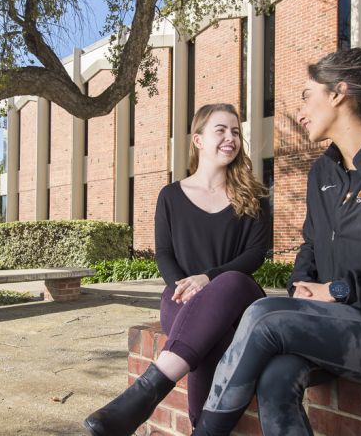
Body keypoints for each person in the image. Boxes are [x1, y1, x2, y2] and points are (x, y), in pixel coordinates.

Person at [191, 44, 361, 435]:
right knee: (274, 377)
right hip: (332, 322)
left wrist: (341, 291)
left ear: (339, 93)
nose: (301, 112)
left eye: (307, 96)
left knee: (263, 313)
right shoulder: (322, 172)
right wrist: (302, 287)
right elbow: (310, 246)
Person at [84, 103, 271, 436]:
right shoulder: (170, 196)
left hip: (239, 298)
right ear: (198, 140)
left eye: (236, 132)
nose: (231, 138)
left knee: (228, 282)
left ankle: (142, 397)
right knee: (205, 333)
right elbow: (165, 253)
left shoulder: (254, 195)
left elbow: (255, 254)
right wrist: (184, 287)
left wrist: (208, 279)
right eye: (221, 130)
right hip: (182, 298)